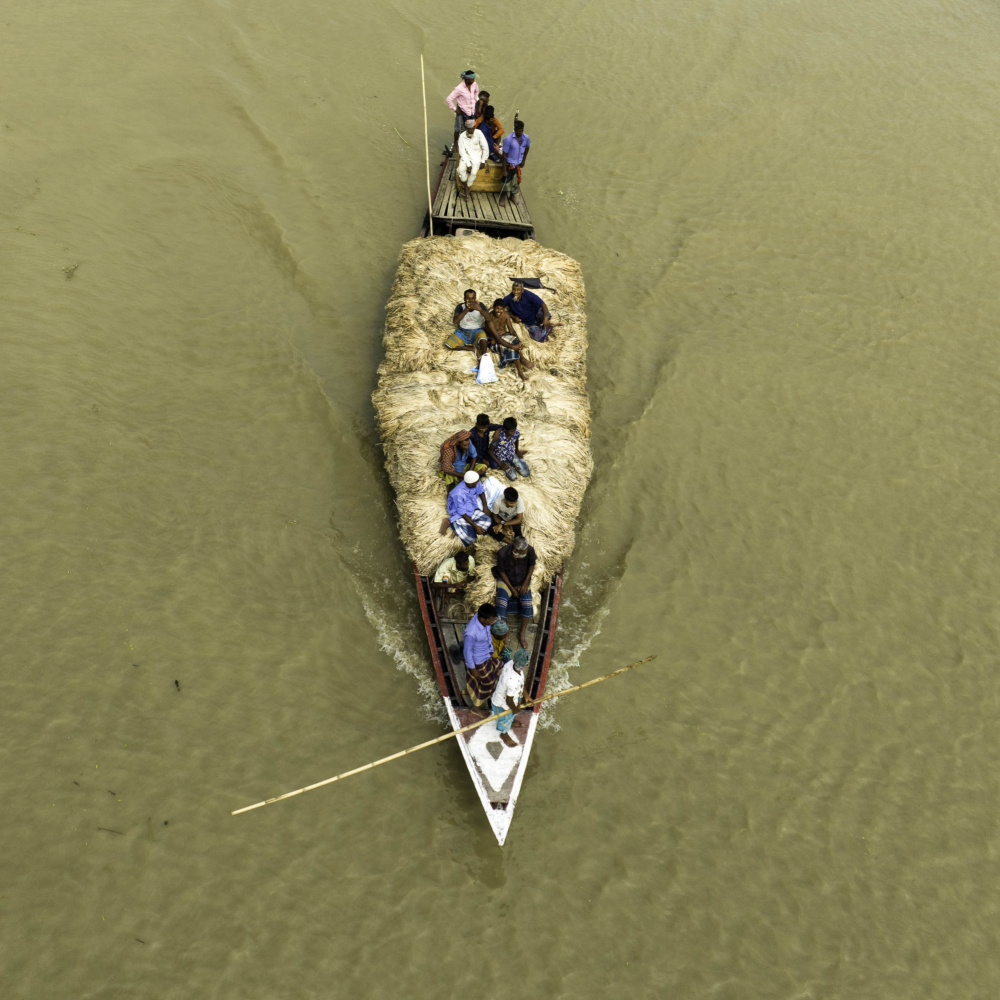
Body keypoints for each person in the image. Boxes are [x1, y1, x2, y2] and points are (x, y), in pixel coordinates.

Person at [494, 536, 536, 644]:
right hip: (506, 581)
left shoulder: (530, 550)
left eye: (526, 550)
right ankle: (505, 631)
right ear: (515, 550)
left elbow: (532, 565)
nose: (526, 552)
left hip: (522, 581)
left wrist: (526, 582)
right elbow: (502, 572)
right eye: (523, 551)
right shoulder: (503, 553)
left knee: (527, 604)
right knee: (501, 603)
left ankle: (521, 633)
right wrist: (512, 589)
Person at [463, 603, 501, 714]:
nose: (493, 622)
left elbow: (488, 634)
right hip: (479, 660)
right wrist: (473, 669)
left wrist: (491, 649)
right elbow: (467, 652)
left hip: (487, 654)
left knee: (501, 667)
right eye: (491, 620)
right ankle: (476, 708)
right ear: (482, 618)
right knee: (488, 683)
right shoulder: (471, 633)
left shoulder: (484, 621)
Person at [484, 300, 532, 381]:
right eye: (497, 309)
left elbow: (512, 331)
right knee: (512, 348)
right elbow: (498, 339)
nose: (499, 311)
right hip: (494, 340)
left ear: (504, 309)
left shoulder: (505, 315)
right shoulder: (489, 318)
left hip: (504, 335)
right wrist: (513, 347)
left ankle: (522, 358)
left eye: (501, 309)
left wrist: (519, 341)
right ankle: (520, 373)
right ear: (493, 307)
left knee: (516, 342)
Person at [491, 648, 529, 747]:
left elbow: (520, 683)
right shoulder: (512, 681)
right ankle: (504, 733)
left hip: (512, 696)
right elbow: (509, 701)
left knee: (509, 717)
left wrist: (526, 695)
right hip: (503, 704)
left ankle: (510, 722)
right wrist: (515, 710)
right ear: (524, 666)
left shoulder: (511, 663)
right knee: (504, 720)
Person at [446, 470, 493, 545]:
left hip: (470, 508)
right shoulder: (458, 493)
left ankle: (465, 528)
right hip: (459, 513)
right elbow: (462, 512)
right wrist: (475, 526)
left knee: (488, 520)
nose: (478, 482)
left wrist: (485, 506)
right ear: (470, 484)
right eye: (476, 482)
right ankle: (454, 525)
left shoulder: (475, 482)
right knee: (471, 538)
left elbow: (481, 490)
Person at [503, 279, 554, 343]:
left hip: (537, 314)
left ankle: (545, 323)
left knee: (545, 315)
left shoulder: (527, 294)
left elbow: (542, 304)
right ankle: (547, 327)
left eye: (518, 289)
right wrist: (513, 317)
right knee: (536, 336)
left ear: (522, 290)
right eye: (514, 289)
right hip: (529, 322)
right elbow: (500, 308)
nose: (515, 292)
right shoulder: (509, 298)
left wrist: (545, 318)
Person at [445, 289, 490, 356]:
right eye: (468, 298)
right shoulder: (461, 306)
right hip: (463, 332)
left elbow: (489, 318)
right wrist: (466, 310)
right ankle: (473, 349)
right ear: (464, 299)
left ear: (475, 298)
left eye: (473, 298)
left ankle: (483, 357)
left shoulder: (480, 305)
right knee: (448, 344)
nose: (471, 301)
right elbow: (455, 321)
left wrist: (479, 309)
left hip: (477, 330)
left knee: (483, 340)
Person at [456, 118, 489, 200]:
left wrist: (483, 161)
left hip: (477, 158)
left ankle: (467, 188)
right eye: (469, 129)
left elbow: (485, 148)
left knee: (473, 173)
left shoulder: (479, 133)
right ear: (466, 128)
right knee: (460, 170)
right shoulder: (462, 137)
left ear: (474, 127)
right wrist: (468, 164)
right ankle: (465, 185)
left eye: (473, 128)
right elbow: (462, 152)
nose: (471, 130)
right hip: (466, 158)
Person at [499, 119, 531, 206]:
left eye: (521, 130)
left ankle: (512, 196)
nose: (520, 132)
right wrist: (504, 170)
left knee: (516, 181)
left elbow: (527, 147)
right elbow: (504, 155)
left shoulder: (526, 138)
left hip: (518, 163)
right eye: (518, 130)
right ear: (515, 129)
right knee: (506, 181)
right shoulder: (508, 139)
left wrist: (524, 160)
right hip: (509, 164)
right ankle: (503, 197)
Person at [446, 70, 479, 151]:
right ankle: (456, 144)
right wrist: (455, 109)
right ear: (467, 79)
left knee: (471, 128)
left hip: (472, 111)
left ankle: (468, 144)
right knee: (458, 129)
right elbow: (449, 99)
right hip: (462, 111)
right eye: (471, 79)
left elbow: (476, 92)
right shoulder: (459, 89)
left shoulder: (474, 84)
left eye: (474, 78)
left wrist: (476, 101)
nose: (473, 80)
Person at [489, 416, 530, 481]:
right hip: (501, 458)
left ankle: (521, 459)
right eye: (511, 431)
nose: (512, 433)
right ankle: (512, 463)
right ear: (505, 429)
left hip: (511, 454)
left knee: (526, 473)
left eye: (513, 431)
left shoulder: (516, 432)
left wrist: (517, 450)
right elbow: (490, 451)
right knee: (513, 477)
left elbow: (516, 440)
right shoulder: (498, 436)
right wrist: (500, 464)